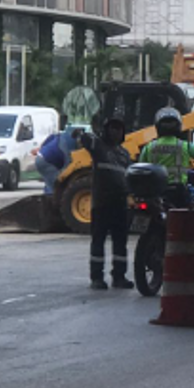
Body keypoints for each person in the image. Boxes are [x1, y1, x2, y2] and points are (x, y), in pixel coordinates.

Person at [76, 117, 133, 290]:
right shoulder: (99, 147)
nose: (116, 132)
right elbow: (87, 139)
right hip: (102, 203)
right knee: (98, 241)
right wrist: (80, 133)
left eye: (119, 129)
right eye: (112, 128)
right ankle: (97, 278)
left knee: (120, 242)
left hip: (120, 203)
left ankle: (119, 277)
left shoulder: (124, 154)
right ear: (106, 131)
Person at [138, 108, 194, 209]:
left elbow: (140, 168)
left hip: (156, 192)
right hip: (179, 191)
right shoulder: (184, 146)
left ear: (157, 127)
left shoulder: (149, 147)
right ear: (178, 126)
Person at [34, 115, 77, 195]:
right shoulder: (69, 143)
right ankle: (51, 203)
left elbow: (49, 140)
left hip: (41, 157)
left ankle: (47, 198)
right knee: (57, 184)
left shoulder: (62, 136)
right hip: (47, 161)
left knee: (50, 182)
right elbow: (68, 163)